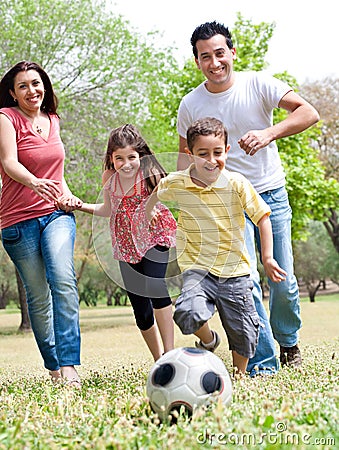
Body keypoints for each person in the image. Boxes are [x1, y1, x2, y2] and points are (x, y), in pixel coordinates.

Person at [176, 21, 320, 374]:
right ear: (197, 61)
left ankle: (288, 342)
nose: (214, 62)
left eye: (220, 53)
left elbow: (309, 113)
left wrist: (269, 133)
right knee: (246, 283)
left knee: (281, 279)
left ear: (232, 53)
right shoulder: (191, 103)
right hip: (225, 205)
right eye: (205, 56)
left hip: (270, 194)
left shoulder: (259, 83)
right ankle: (263, 362)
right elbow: (184, 156)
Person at [146, 117, 287, 374]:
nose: (211, 160)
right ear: (190, 155)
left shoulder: (236, 183)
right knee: (188, 313)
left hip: (236, 272)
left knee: (243, 331)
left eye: (217, 152)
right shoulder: (178, 182)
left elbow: (263, 218)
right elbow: (157, 191)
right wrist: (150, 209)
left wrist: (267, 257)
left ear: (227, 151)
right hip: (197, 269)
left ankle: (240, 375)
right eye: (203, 154)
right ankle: (209, 339)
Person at [0, 61, 82, 386]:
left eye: (36, 83)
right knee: (38, 295)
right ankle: (54, 367)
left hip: (56, 215)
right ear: (13, 93)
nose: (32, 90)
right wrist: (34, 182)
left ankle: (71, 365)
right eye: (23, 86)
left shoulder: (53, 120)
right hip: (18, 220)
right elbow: (8, 162)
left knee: (63, 279)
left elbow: (58, 176)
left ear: (44, 86)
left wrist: (69, 196)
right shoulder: (7, 118)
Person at [67, 124, 176, 361]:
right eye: (119, 158)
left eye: (131, 157)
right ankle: (159, 360)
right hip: (126, 244)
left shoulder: (150, 172)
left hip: (153, 236)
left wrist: (149, 208)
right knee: (140, 310)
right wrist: (81, 205)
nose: (126, 164)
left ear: (140, 155)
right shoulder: (109, 178)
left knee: (156, 287)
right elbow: (108, 209)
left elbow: (166, 191)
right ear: (111, 158)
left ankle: (171, 354)